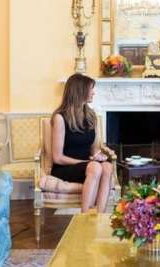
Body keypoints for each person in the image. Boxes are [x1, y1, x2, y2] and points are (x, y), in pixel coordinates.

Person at [50, 73, 113, 213]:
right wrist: (86, 162)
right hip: (64, 167)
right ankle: (84, 217)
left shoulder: (90, 116)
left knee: (108, 167)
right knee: (95, 168)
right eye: (91, 89)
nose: (93, 92)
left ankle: (99, 215)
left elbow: (93, 147)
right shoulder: (60, 118)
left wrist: (97, 155)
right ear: (80, 91)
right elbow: (57, 157)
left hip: (88, 164)